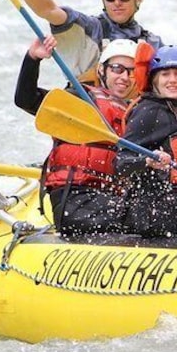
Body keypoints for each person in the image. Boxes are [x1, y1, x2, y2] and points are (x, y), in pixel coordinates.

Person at [14, 36, 138, 236]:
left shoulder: (140, 113)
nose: (124, 76)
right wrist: (33, 59)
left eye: (131, 71)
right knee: (145, 216)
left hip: (113, 199)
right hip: (75, 199)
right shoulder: (81, 99)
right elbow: (25, 99)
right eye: (117, 68)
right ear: (102, 70)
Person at [3, 0, 162, 83]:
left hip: (132, 117)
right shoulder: (89, 28)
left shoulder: (153, 43)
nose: (117, 2)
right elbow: (49, 11)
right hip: (89, 108)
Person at [116, 44, 177, 238]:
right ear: (155, 80)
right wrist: (147, 160)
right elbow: (120, 163)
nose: (172, 80)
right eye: (165, 75)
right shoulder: (150, 111)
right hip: (153, 211)